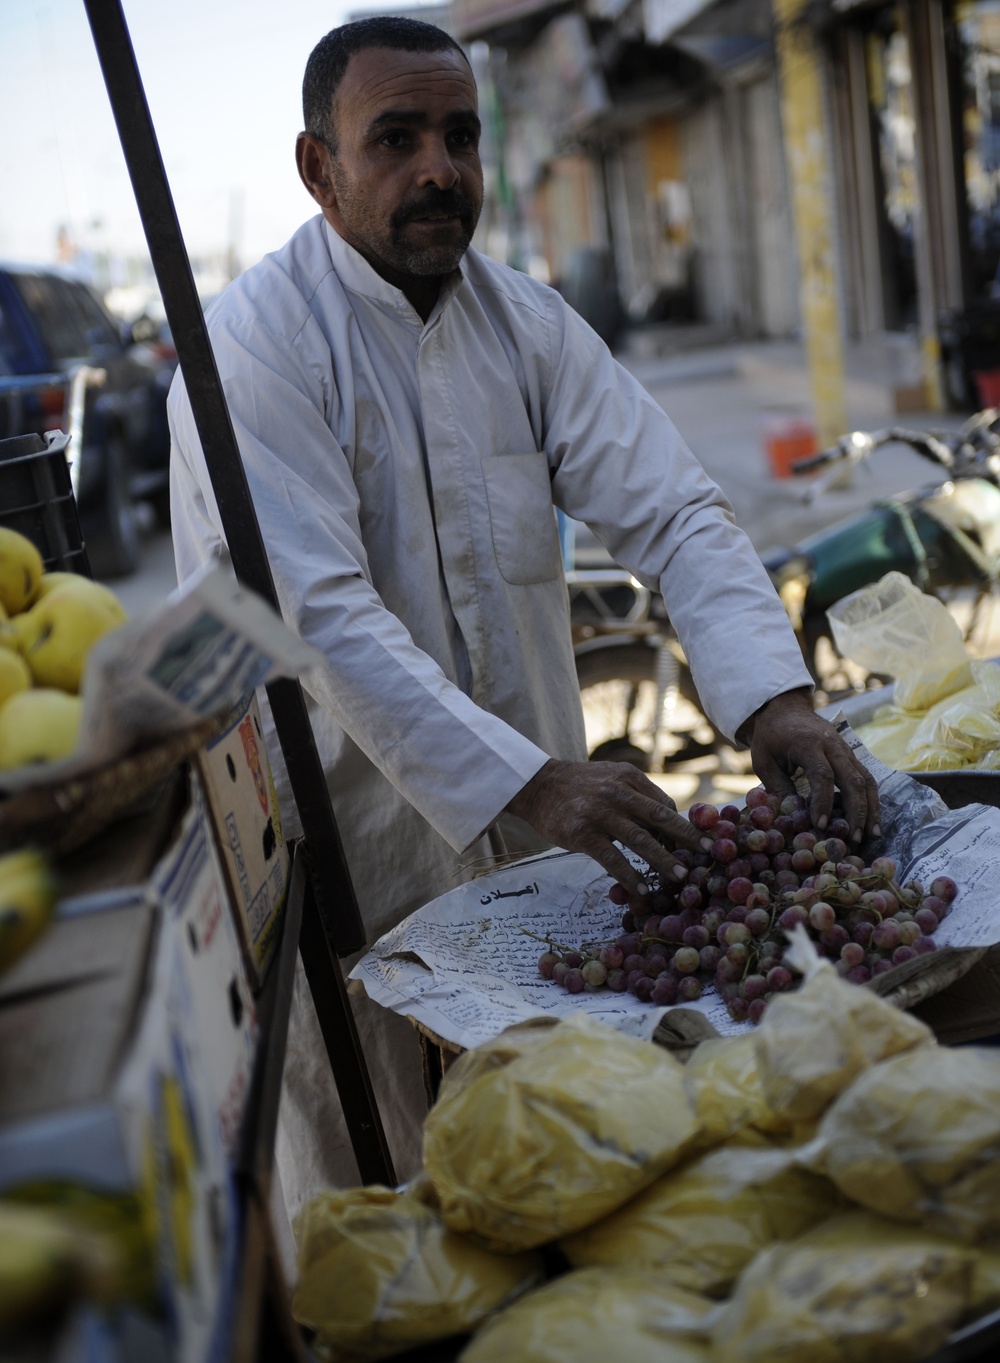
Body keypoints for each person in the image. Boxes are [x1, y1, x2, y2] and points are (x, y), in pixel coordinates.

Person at [167, 15, 879, 1203]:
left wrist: (775, 701)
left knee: (562, 1184)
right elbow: (321, 618)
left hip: (536, 872)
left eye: (457, 135)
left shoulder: (527, 325)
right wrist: (529, 780)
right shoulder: (253, 349)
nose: (438, 169)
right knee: (394, 1202)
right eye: (394, 138)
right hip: (350, 865)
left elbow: (676, 513)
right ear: (319, 168)